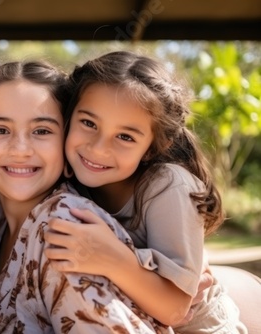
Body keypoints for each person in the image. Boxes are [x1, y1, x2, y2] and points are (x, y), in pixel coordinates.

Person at [43, 51, 247, 333]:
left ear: (151, 148)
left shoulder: (168, 185)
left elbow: (175, 309)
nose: (99, 148)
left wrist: (113, 258)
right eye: (88, 123)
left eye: (125, 137)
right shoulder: (64, 174)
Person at [0, 60, 172, 333]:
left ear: (66, 139)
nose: (19, 149)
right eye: (0, 130)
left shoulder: (66, 225)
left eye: (42, 131)